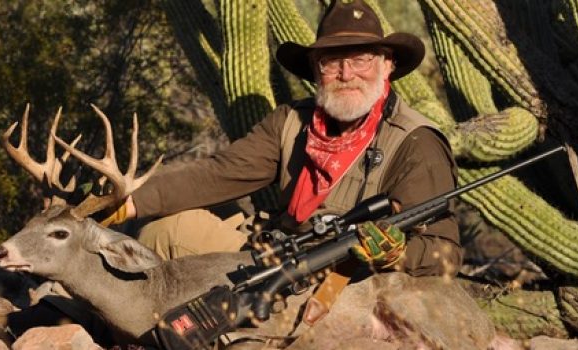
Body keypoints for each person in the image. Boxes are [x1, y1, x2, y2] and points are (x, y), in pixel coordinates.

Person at [102, 0, 461, 279]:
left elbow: (445, 253)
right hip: (280, 256)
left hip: (353, 285)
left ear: (388, 65)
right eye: (331, 61)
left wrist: (398, 255)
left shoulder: (416, 143)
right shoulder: (292, 121)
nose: (346, 73)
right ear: (316, 69)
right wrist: (124, 204)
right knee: (163, 233)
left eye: (361, 59)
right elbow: (217, 174)